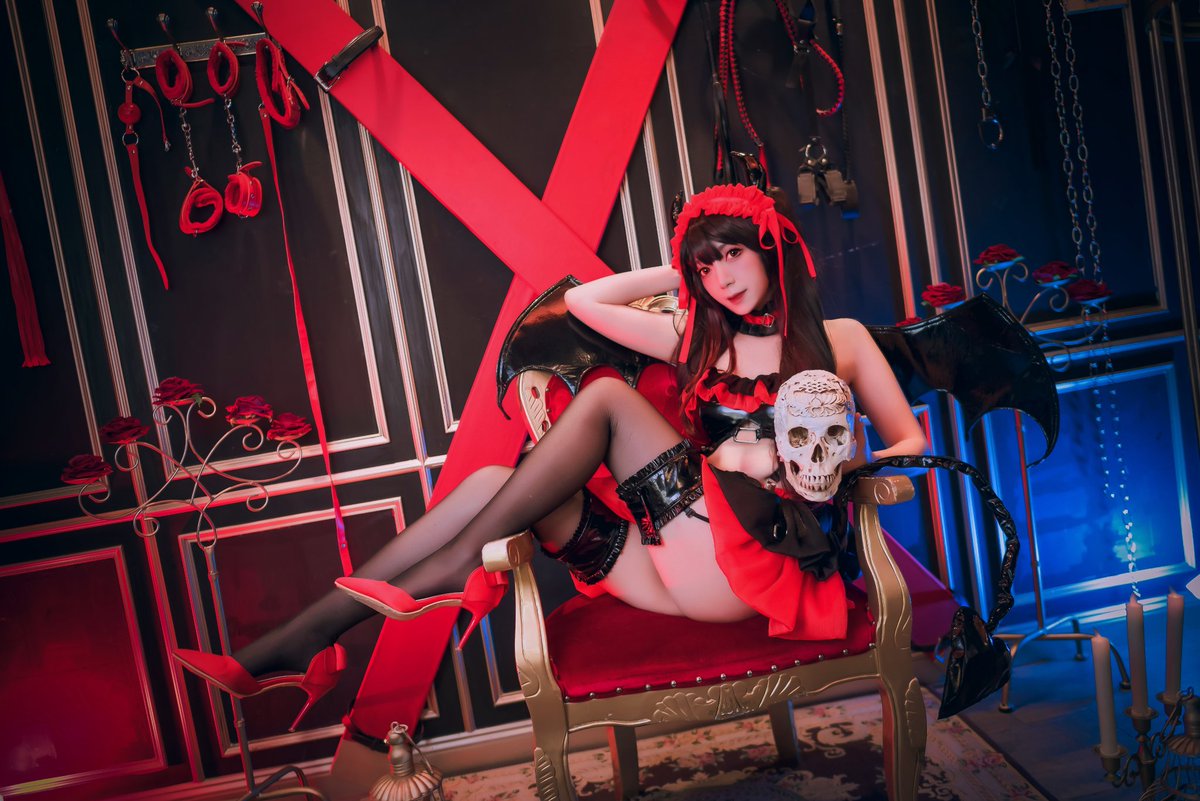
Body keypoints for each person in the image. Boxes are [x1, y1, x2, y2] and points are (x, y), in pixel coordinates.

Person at [173, 184, 928, 729]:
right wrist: (679, 269)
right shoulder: (699, 338)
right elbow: (586, 304)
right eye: (707, 267)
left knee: (605, 399)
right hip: (672, 563)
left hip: (752, 566)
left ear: (771, 248)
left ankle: (448, 571)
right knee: (492, 481)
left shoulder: (841, 340)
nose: (722, 278)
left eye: (733, 254)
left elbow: (911, 442)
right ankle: (301, 642)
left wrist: (826, 468)